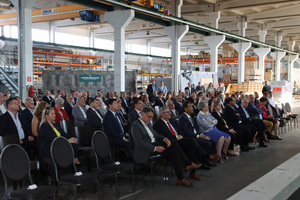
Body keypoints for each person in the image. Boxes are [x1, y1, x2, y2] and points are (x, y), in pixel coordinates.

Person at [131, 106, 201, 187]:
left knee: (173, 147)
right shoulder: (135, 126)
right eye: (149, 117)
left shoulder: (148, 123)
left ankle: (181, 176)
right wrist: (155, 148)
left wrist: (165, 139)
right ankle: (186, 167)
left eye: (151, 117)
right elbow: (140, 143)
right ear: (142, 114)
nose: (150, 119)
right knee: (174, 148)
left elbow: (156, 135)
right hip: (147, 149)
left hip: (155, 144)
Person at [154, 107, 206, 180]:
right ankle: (203, 157)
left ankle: (192, 171)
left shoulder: (172, 121)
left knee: (192, 147)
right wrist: (176, 137)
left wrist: (180, 135)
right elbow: (162, 137)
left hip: (180, 140)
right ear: (162, 114)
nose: (170, 113)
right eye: (168, 112)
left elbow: (179, 130)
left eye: (169, 111)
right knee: (191, 141)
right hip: (171, 143)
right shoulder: (157, 124)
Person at [177, 101, 218, 166]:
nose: (193, 108)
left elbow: (196, 128)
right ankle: (204, 162)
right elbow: (185, 132)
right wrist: (198, 136)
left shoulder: (190, 117)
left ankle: (208, 159)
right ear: (185, 109)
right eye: (190, 106)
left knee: (212, 141)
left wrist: (200, 134)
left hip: (198, 135)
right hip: (192, 137)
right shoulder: (182, 119)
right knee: (207, 143)